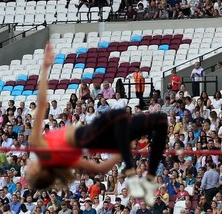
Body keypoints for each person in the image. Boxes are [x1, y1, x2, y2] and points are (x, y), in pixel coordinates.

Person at [25, 44, 168, 206]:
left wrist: (122, 150)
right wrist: (45, 68)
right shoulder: (39, 145)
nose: (26, 168)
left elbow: (101, 169)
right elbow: (42, 102)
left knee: (161, 119)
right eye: (27, 172)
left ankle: (148, 179)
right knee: (119, 114)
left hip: (108, 139)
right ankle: (133, 175)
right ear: (37, 172)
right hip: (90, 134)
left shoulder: (62, 164)